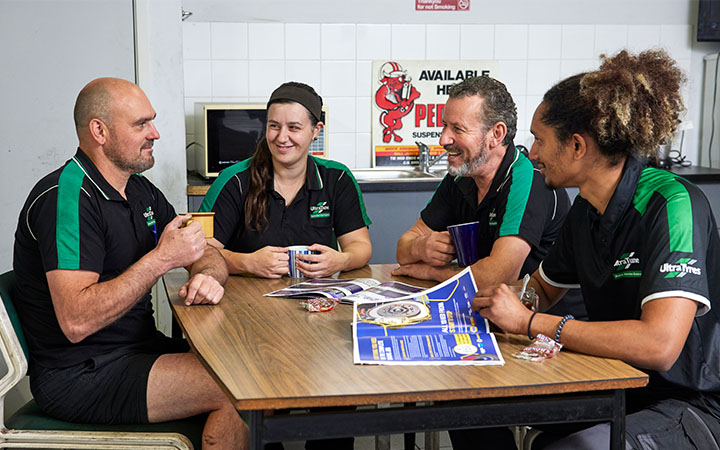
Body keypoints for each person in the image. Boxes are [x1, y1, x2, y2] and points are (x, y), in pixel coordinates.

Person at [473, 49, 720, 449]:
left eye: (539, 140)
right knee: (478, 408)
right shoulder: (587, 209)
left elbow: (658, 345)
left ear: (576, 146)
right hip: (616, 382)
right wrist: (494, 304)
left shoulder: (673, 204)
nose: (531, 154)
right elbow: (542, 289)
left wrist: (529, 323)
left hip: (690, 402)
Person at [13, 78, 247, 450]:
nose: (154, 133)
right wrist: (162, 259)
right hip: (80, 374)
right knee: (236, 387)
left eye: (151, 121)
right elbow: (76, 321)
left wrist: (208, 276)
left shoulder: (139, 189)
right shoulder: (67, 198)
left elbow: (204, 249)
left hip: (137, 351)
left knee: (244, 363)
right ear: (99, 131)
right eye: (141, 124)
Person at [393, 76, 585, 316]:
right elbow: (403, 249)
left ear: (496, 133)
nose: (443, 139)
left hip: (547, 329)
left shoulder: (528, 178)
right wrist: (421, 247)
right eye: (444, 126)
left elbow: (498, 277)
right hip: (489, 314)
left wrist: (432, 272)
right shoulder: (460, 176)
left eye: (458, 129)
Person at [200, 81, 372, 279]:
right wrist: (247, 263)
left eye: (294, 127)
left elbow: (361, 246)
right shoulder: (233, 181)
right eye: (274, 126)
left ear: (316, 130)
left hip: (315, 301)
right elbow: (200, 252)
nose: (282, 137)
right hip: (244, 303)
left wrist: (342, 260)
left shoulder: (337, 178)